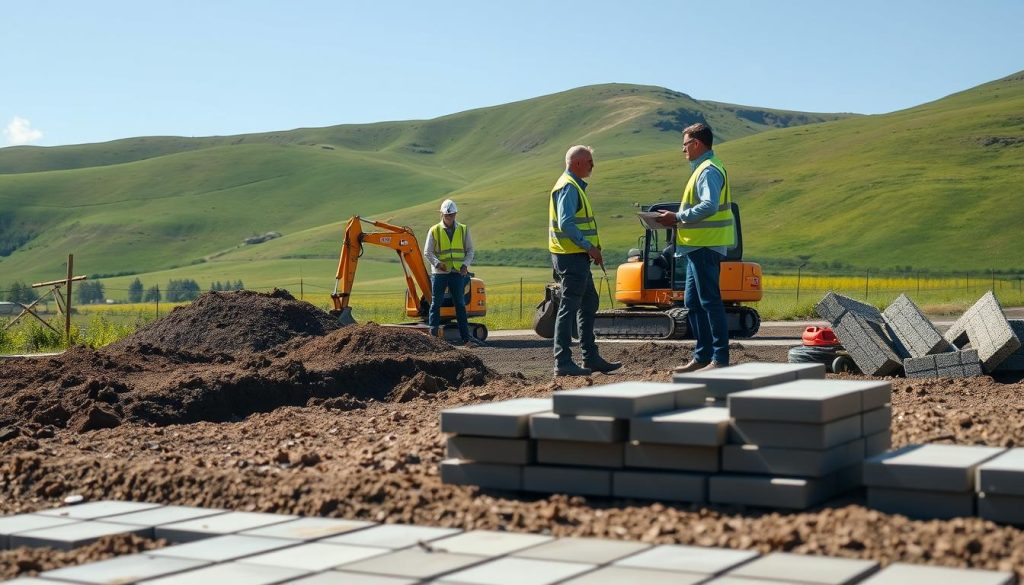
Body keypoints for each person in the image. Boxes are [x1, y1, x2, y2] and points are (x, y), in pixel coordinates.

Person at [656, 123, 735, 372]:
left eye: (685, 144)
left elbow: (709, 205)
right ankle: (702, 356)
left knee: (709, 301)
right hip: (694, 247)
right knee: (693, 302)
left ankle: (719, 359)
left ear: (697, 144)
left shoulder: (708, 170)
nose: (683, 150)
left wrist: (677, 217)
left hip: (705, 245)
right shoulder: (703, 168)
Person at [548, 145, 622, 376]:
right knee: (569, 307)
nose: (593, 165)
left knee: (589, 301)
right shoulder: (569, 187)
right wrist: (589, 247)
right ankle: (562, 362)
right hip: (571, 257)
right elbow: (566, 223)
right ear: (578, 163)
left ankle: (590, 357)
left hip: (575, 256)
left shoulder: (573, 186)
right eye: (590, 161)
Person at [424, 199, 485, 347]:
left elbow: (470, 250)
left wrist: (465, 265)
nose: (450, 217)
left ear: (455, 214)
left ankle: (466, 340)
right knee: (435, 304)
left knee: (460, 304)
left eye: (452, 215)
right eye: (447, 215)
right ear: (442, 215)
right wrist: (438, 263)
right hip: (440, 273)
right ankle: (433, 340)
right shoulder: (434, 230)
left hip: (457, 273)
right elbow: (428, 252)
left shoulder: (463, 229)